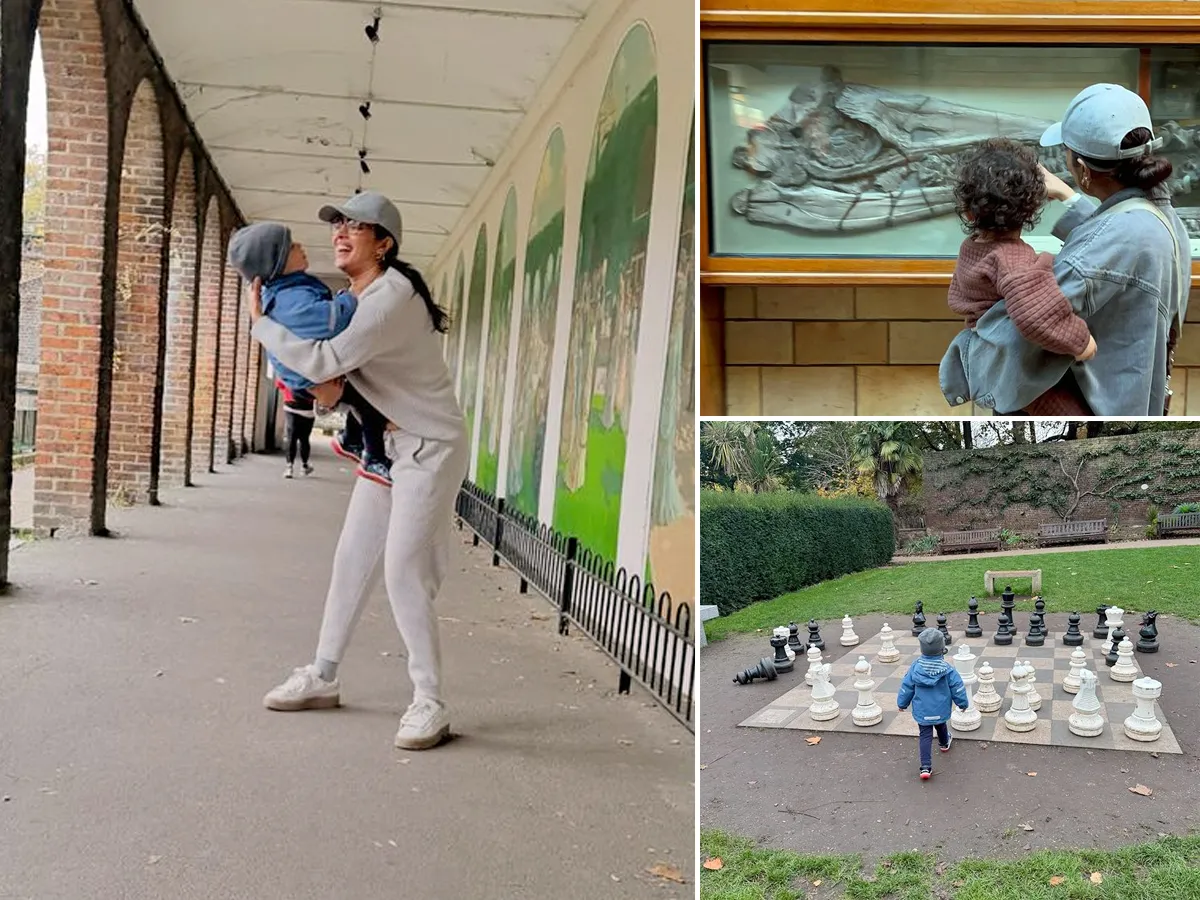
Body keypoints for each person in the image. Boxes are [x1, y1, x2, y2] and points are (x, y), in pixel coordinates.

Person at [248, 191, 466, 751]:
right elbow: (339, 384)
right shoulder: (354, 295)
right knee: (351, 560)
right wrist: (329, 396)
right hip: (387, 448)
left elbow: (324, 362)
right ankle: (323, 675)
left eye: (356, 226)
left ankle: (429, 701)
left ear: (384, 242)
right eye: (337, 224)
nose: (340, 232)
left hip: (428, 448)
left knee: (402, 571)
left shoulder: (390, 296)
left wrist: (261, 324)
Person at [957, 84, 1189, 416]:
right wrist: (1069, 198)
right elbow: (1113, 249)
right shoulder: (1161, 216)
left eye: (1067, 154)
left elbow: (1037, 317)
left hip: (1094, 407)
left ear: (1082, 168)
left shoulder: (1121, 236)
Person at [227, 222, 394, 486]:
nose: (300, 246)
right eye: (291, 246)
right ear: (277, 262)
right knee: (369, 402)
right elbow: (330, 321)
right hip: (308, 378)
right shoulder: (290, 301)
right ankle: (373, 456)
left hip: (308, 375)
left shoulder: (290, 291)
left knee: (362, 396)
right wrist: (351, 297)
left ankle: (352, 438)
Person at [939, 138, 1098, 416]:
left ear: (968, 212)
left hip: (989, 359)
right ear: (1031, 210)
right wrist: (1081, 342)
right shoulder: (1012, 260)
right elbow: (1038, 316)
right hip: (1014, 369)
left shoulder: (972, 248)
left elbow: (957, 294)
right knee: (1072, 412)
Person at [897, 628, 969, 780]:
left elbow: (906, 687)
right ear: (942, 649)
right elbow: (958, 688)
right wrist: (962, 704)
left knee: (925, 735)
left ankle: (925, 767)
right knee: (941, 724)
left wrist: (902, 704)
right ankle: (944, 743)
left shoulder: (915, 667)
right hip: (941, 709)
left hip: (923, 710)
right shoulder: (948, 670)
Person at [282, 391, 315, 479]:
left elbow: (281, 384)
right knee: (304, 439)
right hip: (308, 410)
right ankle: (304, 466)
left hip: (290, 406)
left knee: (291, 437)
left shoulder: (289, 376)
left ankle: (289, 467)